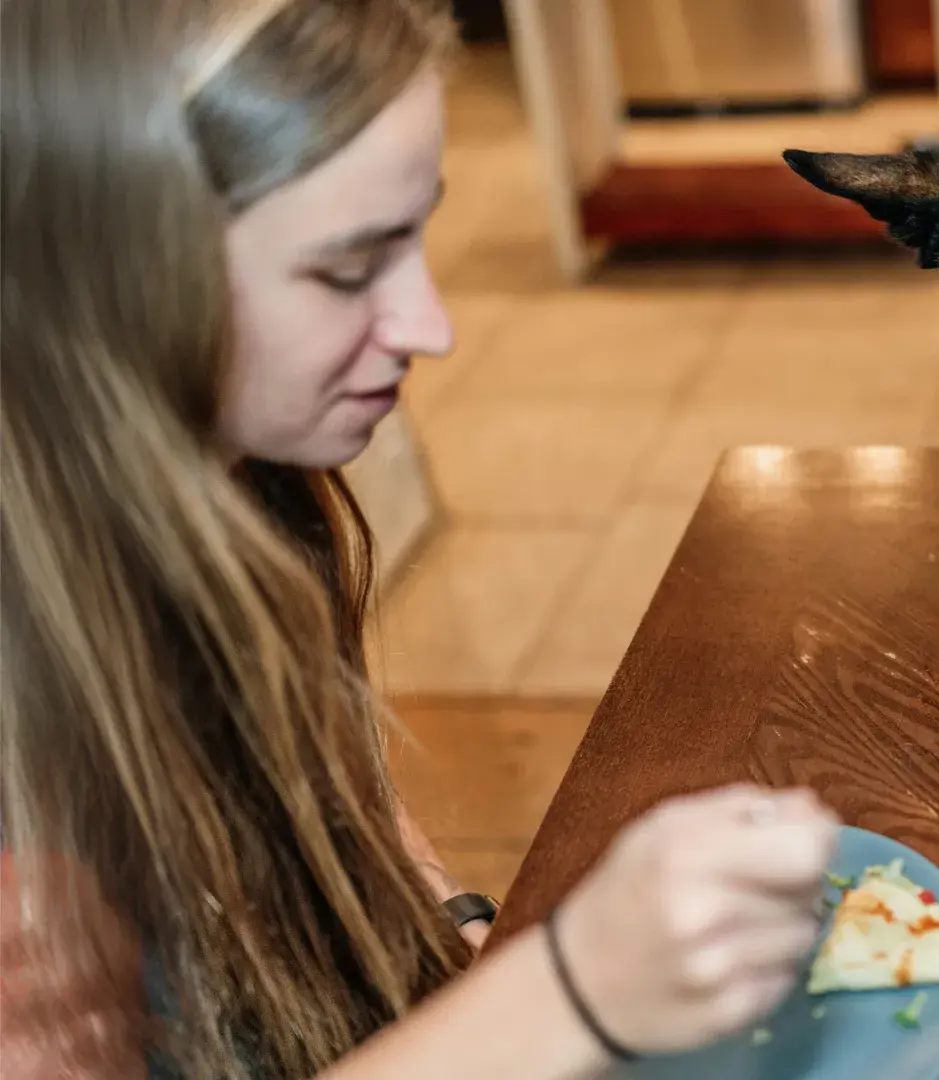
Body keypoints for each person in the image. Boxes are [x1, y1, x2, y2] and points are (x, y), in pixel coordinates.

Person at [0, 1, 840, 1076]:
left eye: (415, 236)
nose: (429, 327)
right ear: (108, 273)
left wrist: (463, 936)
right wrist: (567, 992)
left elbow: (332, 783)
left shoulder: (238, 480)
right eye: (349, 270)